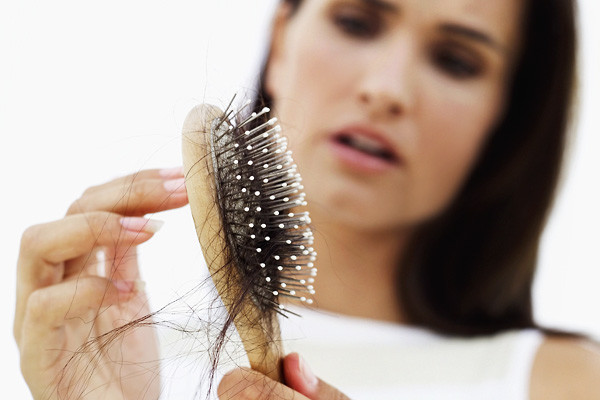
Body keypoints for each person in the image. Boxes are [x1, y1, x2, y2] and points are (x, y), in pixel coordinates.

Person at [13, 0, 600, 399]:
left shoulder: (562, 382)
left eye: (456, 61)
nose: (386, 88)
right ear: (282, 35)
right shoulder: (120, 365)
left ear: (506, 117)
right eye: (357, 21)